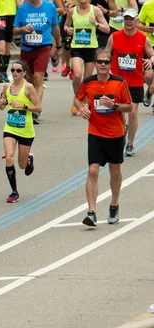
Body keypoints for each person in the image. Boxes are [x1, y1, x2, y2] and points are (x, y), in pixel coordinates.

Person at [74, 48, 131, 226]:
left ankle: (114, 204)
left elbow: (128, 107)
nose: (103, 65)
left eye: (106, 62)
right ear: (96, 63)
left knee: (115, 171)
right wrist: (82, 108)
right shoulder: (88, 82)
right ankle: (91, 212)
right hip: (95, 132)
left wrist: (114, 105)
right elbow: (78, 98)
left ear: (110, 64)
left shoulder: (119, 83)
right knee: (93, 170)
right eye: (100, 62)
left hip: (115, 133)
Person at [106, 8, 154, 157]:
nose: (128, 22)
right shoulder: (114, 37)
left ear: (136, 21)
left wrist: (150, 61)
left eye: (131, 19)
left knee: (132, 112)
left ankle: (130, 143)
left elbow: (152, 54)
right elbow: (106, 54)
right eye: (126, 19)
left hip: (135, 82)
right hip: (117, 81)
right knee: (118, 112)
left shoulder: (143, 39)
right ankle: (120, 134)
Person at [0, 60, 41, 203]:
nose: (15, 73)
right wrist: (1, 104)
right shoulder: (6, 87)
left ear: (24, 73)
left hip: (25, 130)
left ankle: (29, 160)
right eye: (13, 70)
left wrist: (23, 106)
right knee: (9, 158)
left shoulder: (28, 88)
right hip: (10, 128)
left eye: (18, 70)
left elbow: (38, 108)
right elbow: (2, 106)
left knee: (22, 165)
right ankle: (14, 192)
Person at [13, 0, 61, 123]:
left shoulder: (50, 7)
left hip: (43, 47)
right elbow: (15, 30)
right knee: (29, 79)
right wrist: (23, 29)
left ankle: (35, 110)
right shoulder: (23, 9)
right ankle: (32, 105)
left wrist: (59, 46)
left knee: (38, 78)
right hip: (27, 48)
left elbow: (55, 28)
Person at [65, 0, 110, 115]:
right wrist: (67, 30)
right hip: (76, 48)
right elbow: (66, 25)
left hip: (91, 48)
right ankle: (78, 100)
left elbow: (107, 29)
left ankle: (83, 101)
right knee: (77, 76)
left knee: (86, 80)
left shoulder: (95, 10)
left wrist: (96, 24)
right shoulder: (72, 11)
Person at [0, 0, 20, 82]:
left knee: (7, 49)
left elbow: (18, 4)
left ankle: (4, 72)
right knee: (1, 46)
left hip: (12, 17)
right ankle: (0, 72)